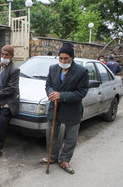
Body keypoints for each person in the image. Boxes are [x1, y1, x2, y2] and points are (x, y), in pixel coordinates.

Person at [40, 43, 89, 174]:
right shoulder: (53, 68)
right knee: (51, 134)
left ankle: (65, 160)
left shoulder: (82, 71)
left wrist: (61, 95)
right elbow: (48, 85)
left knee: (71, 138)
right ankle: (52, 156)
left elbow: (81, 92)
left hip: (72, 110)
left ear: (72, 57)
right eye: (60, 58)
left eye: (66, 58)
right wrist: (51, 93)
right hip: (55, 108)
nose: (63, 61)